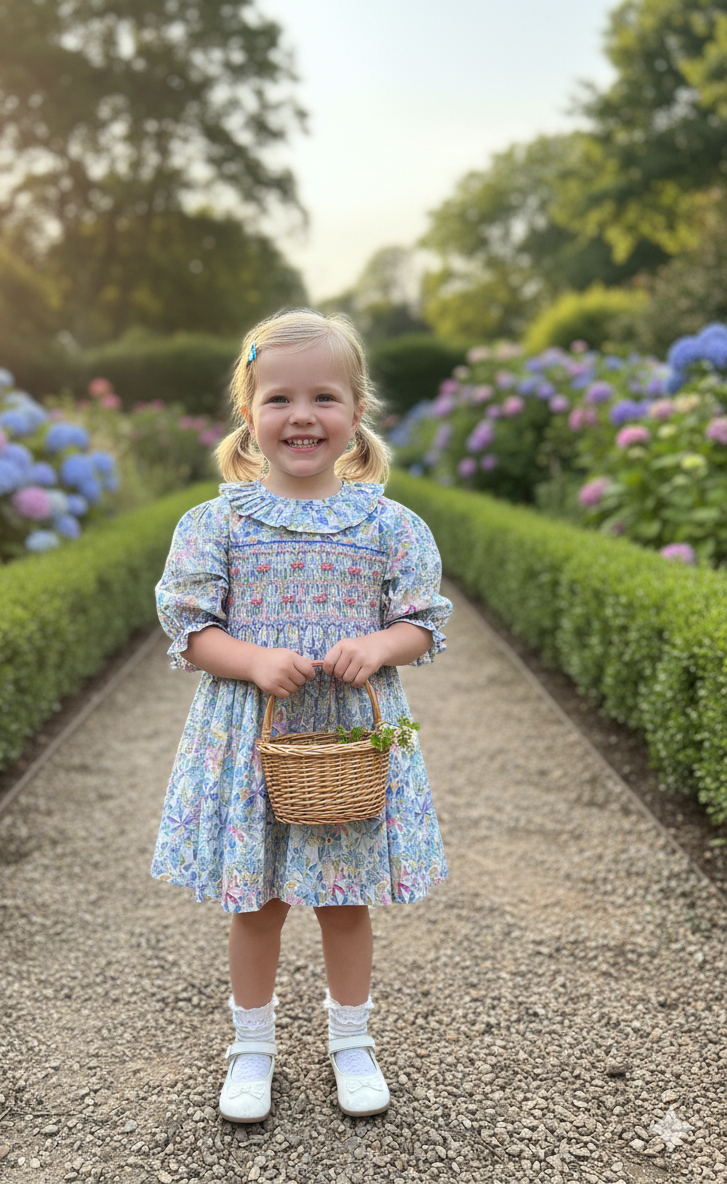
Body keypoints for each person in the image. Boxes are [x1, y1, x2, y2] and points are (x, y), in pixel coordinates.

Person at [151, 307, 452, 1123]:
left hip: (348, 738)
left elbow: (422, 621)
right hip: (255, 736)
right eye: (280, 398)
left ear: (357, 412)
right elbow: (190, 628)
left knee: (345, 899)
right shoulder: (217, 523)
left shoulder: (389, 525)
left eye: (324, 397)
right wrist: (253, 660)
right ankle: (251, 1049)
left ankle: (351, 1041)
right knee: (256, 903)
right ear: (249, 413)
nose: (302, 416)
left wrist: (380, 646)